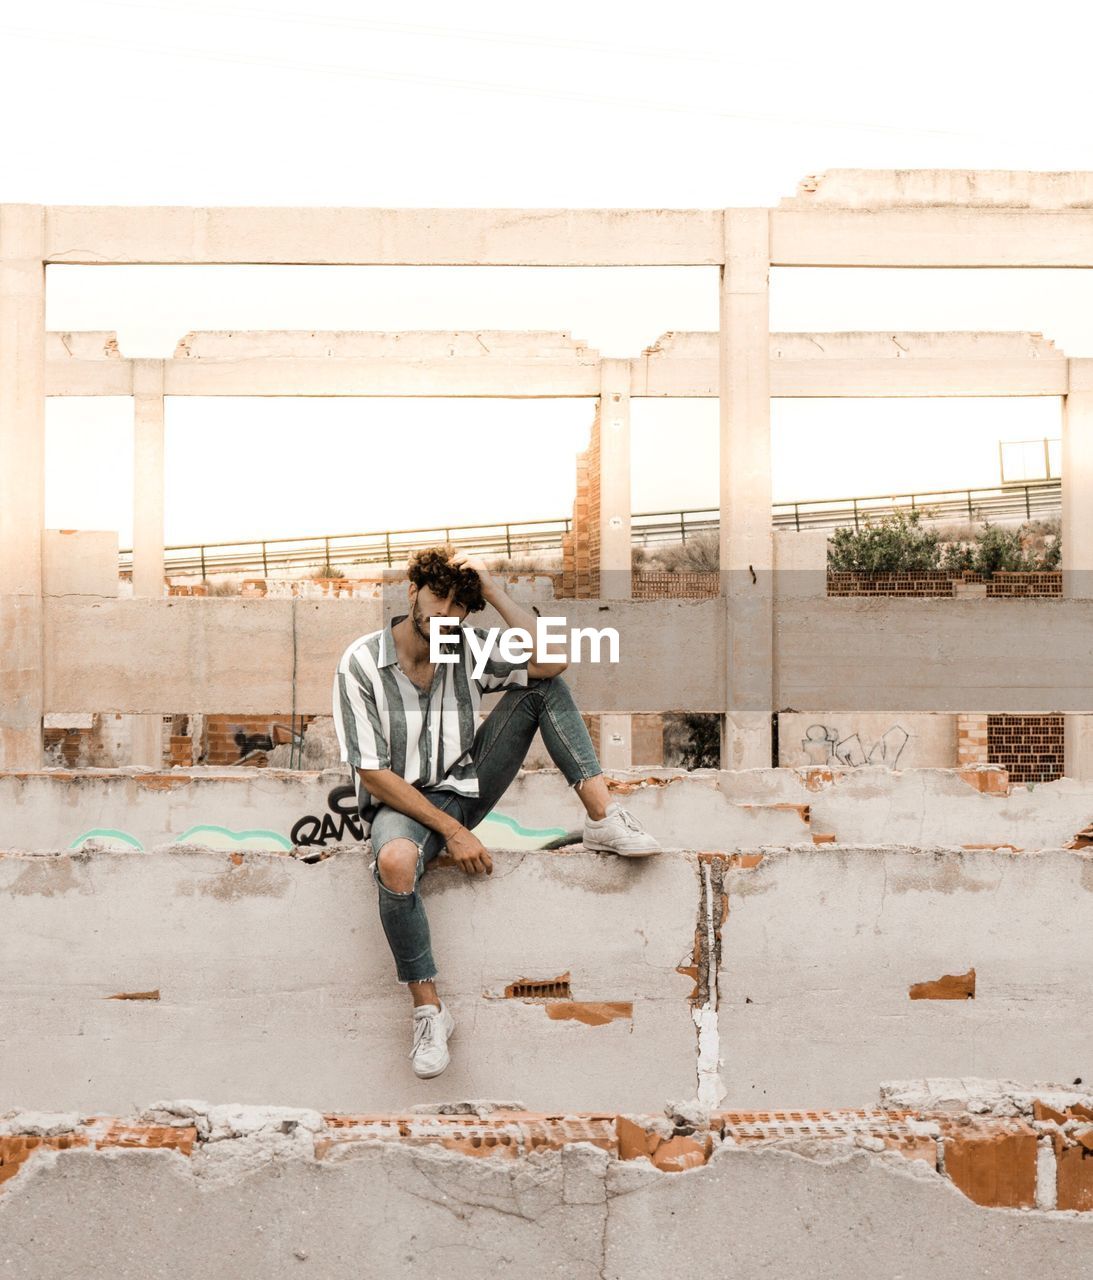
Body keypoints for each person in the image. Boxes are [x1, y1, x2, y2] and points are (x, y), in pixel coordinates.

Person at [331, 544, 661, 1079]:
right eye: (437, 597)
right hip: (404, 804)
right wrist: (452, 831)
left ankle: (602, 818)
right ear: (412, 590)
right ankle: (430, 1012)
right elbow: (373, 774)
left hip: (467, 785)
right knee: (394, 862)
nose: (444, 614)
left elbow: (552, 658)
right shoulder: (362, 663)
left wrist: (490, 589)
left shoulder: (465, 644)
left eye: (457, 605)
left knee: (544, 688)